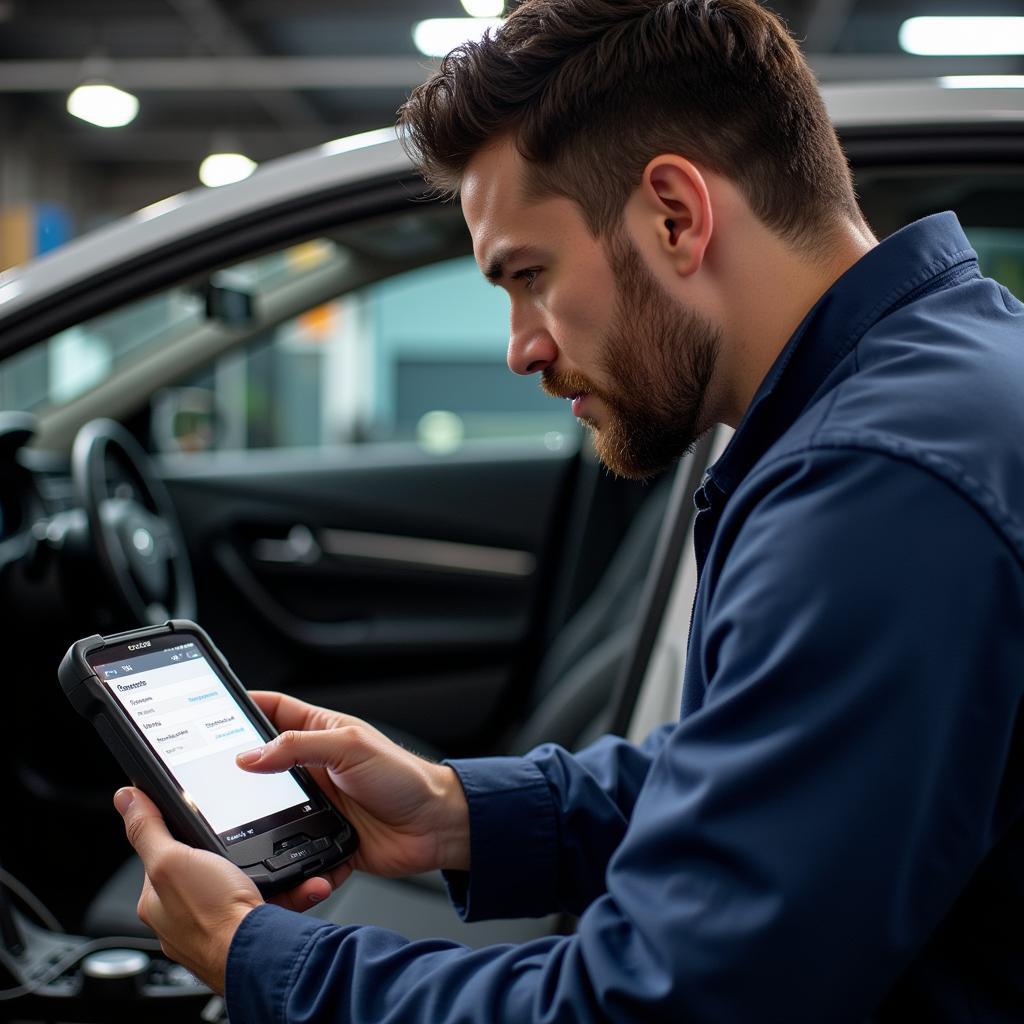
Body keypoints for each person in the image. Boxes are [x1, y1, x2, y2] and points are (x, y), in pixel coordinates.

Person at [113, 0, 1024, 1020]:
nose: (521, 346)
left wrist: (258, 956)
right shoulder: (925, 392)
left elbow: (656, 1006)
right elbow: (784, 778)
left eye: (529, 276)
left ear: (674, 214)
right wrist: (460, 813)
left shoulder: (877, 487)